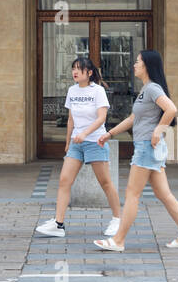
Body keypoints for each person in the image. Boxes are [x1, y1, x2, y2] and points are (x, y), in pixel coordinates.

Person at [93, 49, 178, 251]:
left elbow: (171, 109)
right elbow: (134, 119)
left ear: (147, 65)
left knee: (132, 193)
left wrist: (159, 130)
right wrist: (110, 133)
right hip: (150, 148)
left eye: (138, 62)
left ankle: (118, 240)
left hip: (147, 148)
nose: (134, 65)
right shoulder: (146, 90)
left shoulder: (152, 89)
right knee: (163, 193)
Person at [35, 57, 123, 238]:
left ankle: (117, 219)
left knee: (105, 183)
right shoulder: (72, 90)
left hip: (95, 142)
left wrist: (85, 133)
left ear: (89, 73)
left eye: (79, 69)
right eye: (73, 68)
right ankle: (58, 224)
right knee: (64, 181)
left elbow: (101, 118)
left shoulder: (98, 91)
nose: (75, 72)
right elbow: (71, 119)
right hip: (77, 143)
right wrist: (68, 141)